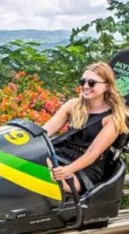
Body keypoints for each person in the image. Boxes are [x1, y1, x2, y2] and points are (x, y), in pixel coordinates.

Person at [43, 62, 129, 194]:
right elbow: (45, 132)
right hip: (60, 154)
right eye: (82, 82)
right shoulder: (73, 105)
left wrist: (68, 169)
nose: (85, 86)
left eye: (91, 83)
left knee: (43, 176)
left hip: (84, 168)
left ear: (106, 86)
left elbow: (92, 153)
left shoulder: (112, 118)